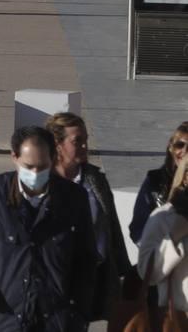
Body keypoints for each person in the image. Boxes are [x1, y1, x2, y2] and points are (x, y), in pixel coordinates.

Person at [0, 126, 97, 331]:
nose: (36, 174)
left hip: (56, 321)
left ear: (53, 159)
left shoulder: (73, 198)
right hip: (0, 319)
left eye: (43, 166)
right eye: (29, 166)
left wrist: (80, 312)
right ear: (14, 157)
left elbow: (87, 258)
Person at [46, 112, 134, 322]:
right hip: (55, 277)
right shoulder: (43, 182)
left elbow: (111, 225)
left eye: (86, 139)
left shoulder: (95, 179)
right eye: (78, 141)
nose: (85, 146)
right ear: (57, 144)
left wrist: (123, 269)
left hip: (95, 276)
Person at [138, 159, 188, 327]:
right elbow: (147, 273)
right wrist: (173, 238)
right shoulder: (163, 217)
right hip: (179, 319)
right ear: (186, 177)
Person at [131, 122, 188, 244]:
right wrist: (157, 252)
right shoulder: (154, 181)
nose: (185, 151)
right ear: (171, 148)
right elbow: (137, 228)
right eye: (180, 145)